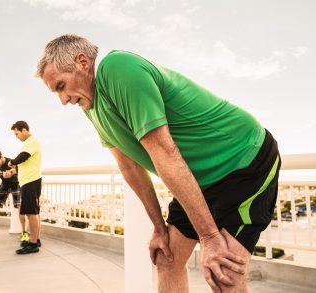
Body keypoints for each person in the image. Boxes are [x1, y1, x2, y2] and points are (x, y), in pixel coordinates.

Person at [35, 34, 281, 293]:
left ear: (82, 62)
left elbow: (165, 152)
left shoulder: (118, 68)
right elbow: (129, 167)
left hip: (241, 160)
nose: (63, 100)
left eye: (61, 86)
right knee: (167, 258)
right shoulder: (90, 105)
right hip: (197, 179)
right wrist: (159, 228)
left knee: (223, 273)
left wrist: (209, 238)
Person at [9, 121, 42, 255]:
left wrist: (12, 162)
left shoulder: (31, 142)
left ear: (23, 130)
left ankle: (33, 244)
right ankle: (36, 239)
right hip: (29, 181)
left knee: (31, 213)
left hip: (30, 181)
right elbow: (25, 161)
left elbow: (23, 157)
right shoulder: (29, 143)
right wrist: (15, 169)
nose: (16, 136)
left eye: (17, 133)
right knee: (33, 212)